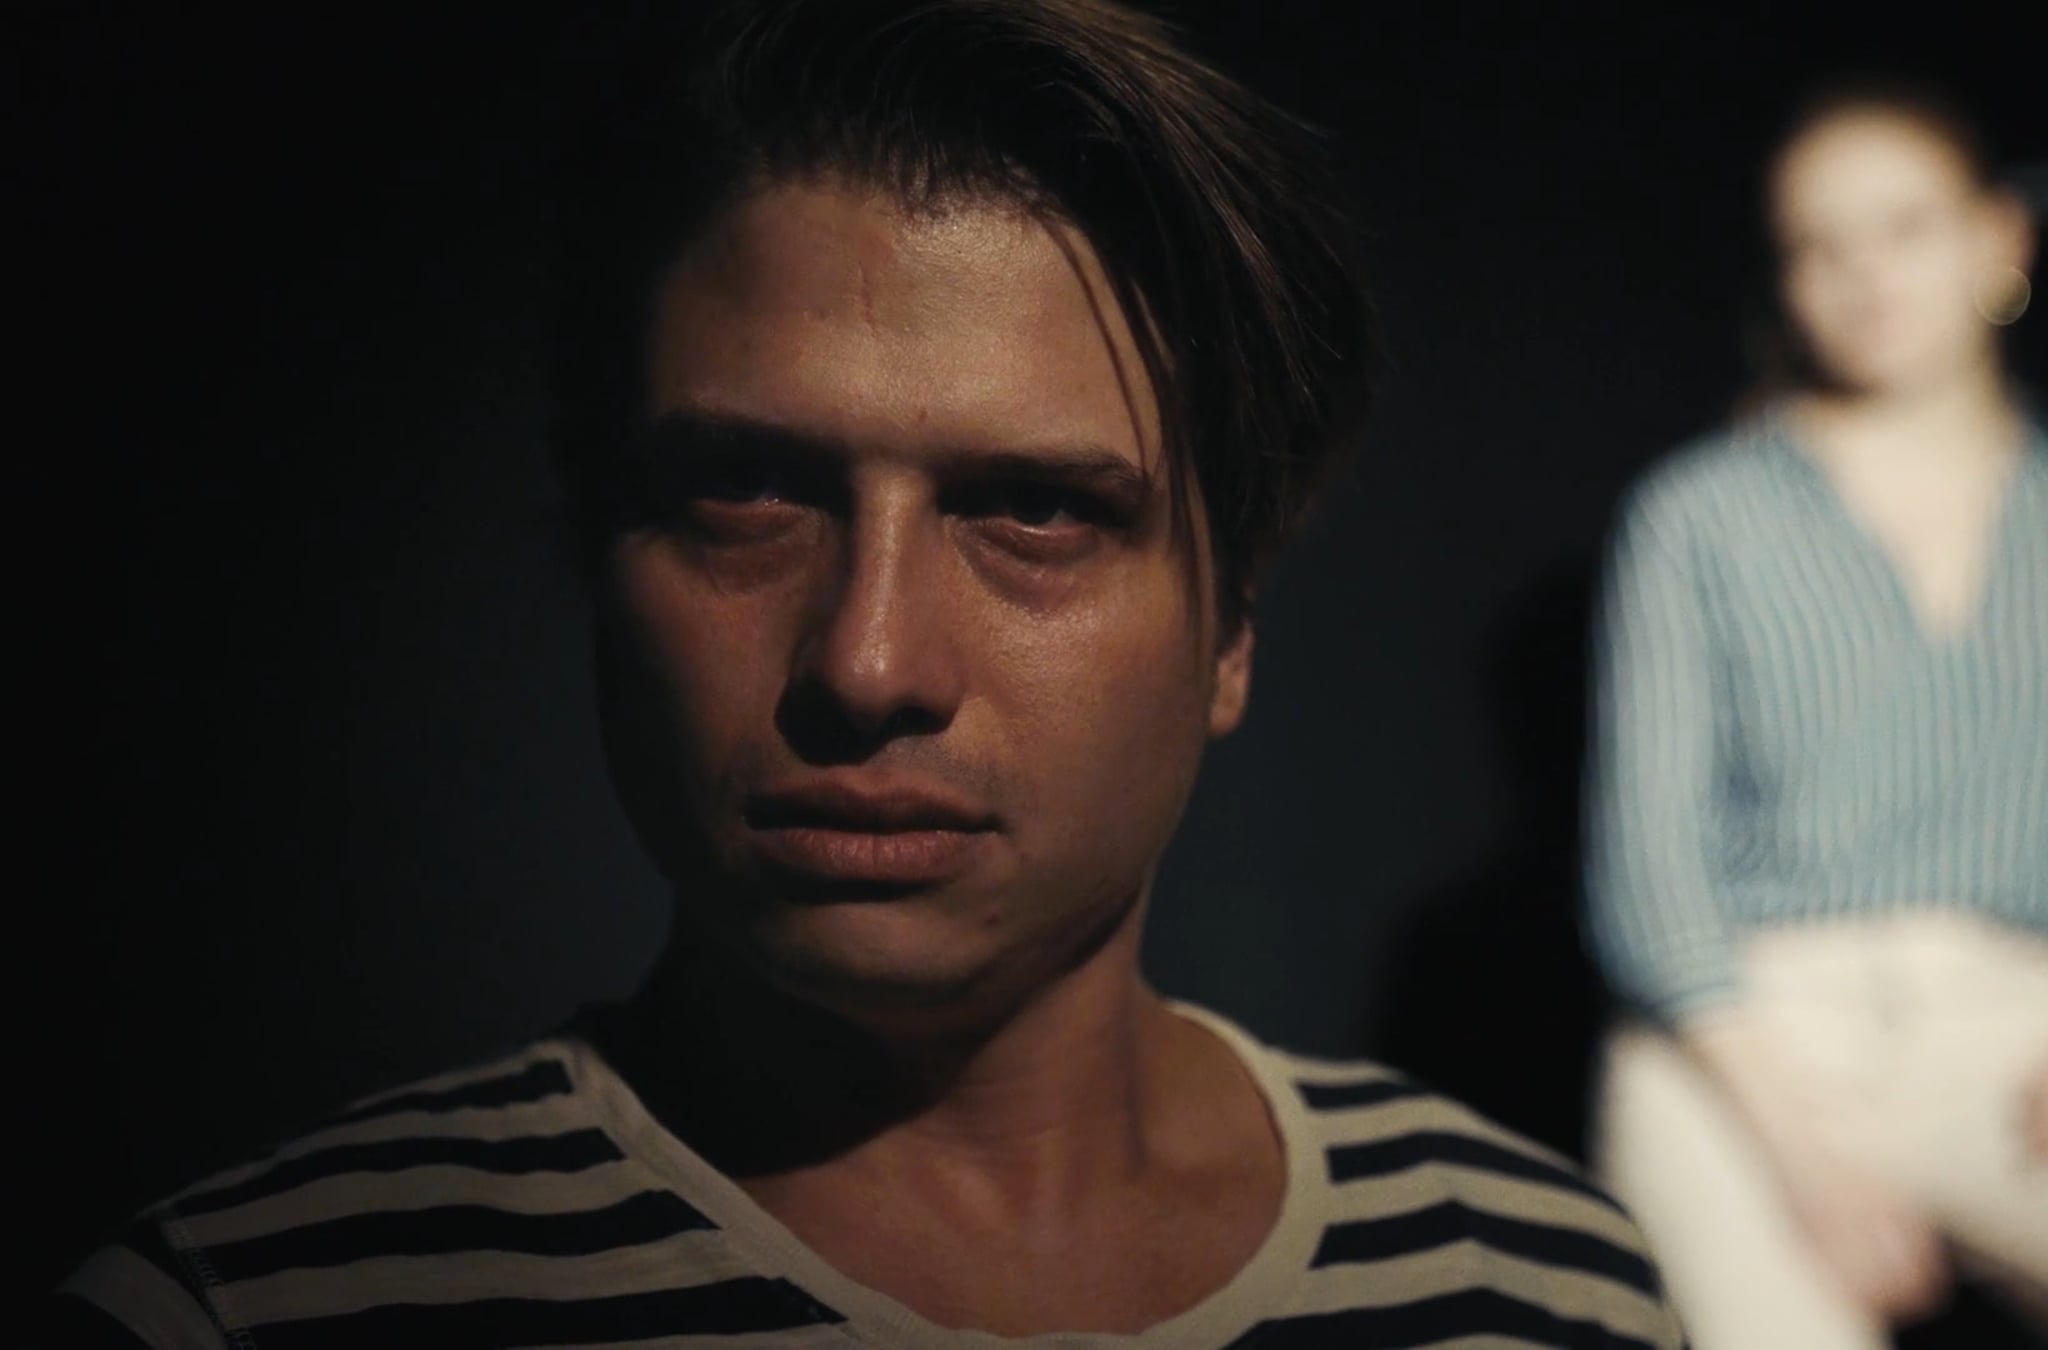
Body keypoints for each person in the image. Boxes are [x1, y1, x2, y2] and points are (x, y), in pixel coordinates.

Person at [45, 1, 1685, 1346]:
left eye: (1035, 511)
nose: (869, 658)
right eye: (746, 493)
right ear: (600, 550)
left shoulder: (1537, 1286)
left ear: (1231, 629)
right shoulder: (256, 1313)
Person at [1582, 75, 2048, 1350]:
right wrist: (1806, 1163)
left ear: (1999, 239)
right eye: (1820, 245)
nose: (1865, 275)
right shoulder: (1699, 517)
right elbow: (1649, 877)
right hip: (1755, 1045)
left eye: (1904, 227)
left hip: (2037, 1036)